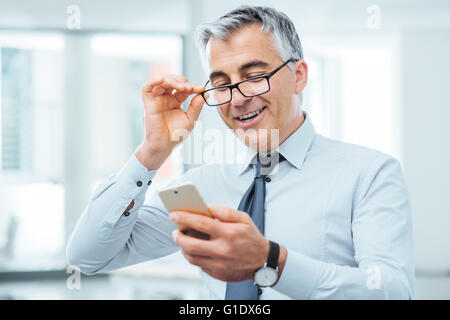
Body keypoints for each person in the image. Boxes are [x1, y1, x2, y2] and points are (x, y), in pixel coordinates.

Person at [66, 5, 414, 299]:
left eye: (254, 75)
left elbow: (393, 290)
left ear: (299, 76)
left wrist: (271, 261)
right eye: (222, 84)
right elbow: (88, 258)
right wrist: (151, 152)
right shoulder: (200, 186)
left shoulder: (369, 173)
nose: (237, 98)